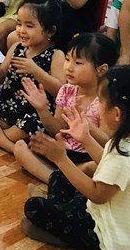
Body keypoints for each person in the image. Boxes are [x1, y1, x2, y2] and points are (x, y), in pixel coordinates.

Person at [22, 66, 130, 250]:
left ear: (116, 113)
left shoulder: (124, 152)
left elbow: (98, 195)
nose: (98, 106)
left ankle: (53, 226)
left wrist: (60, 159)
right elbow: (112, 167)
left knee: (33, 207)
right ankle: (58, 209)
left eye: (100, 101)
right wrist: (86, 139)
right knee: (59, 177)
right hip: (126, 232)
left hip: (109, 239)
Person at [0, 0, 65, 154]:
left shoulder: (56, 55)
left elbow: (60, 91)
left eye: (29, 26)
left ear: (50, 31)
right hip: (6, 109)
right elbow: (1, 78)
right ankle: (10, 146)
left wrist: (36, 70)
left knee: (30, 127)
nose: (21, 30)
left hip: (33, 115)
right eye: (19, 23)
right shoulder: (16, 47)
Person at [14, 33, 117, 182]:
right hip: (65, 149)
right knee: (20, 147)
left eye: (78, 63)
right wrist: (42, 109)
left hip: (88, 154)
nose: (69, 67)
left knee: (95, 167)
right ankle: (58, 180)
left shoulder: (107, 100)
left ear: (101, 69)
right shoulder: (67, 90)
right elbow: (57, 129)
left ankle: (62, 179)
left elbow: (107, 142)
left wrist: (84, 123)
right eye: (68, 59)